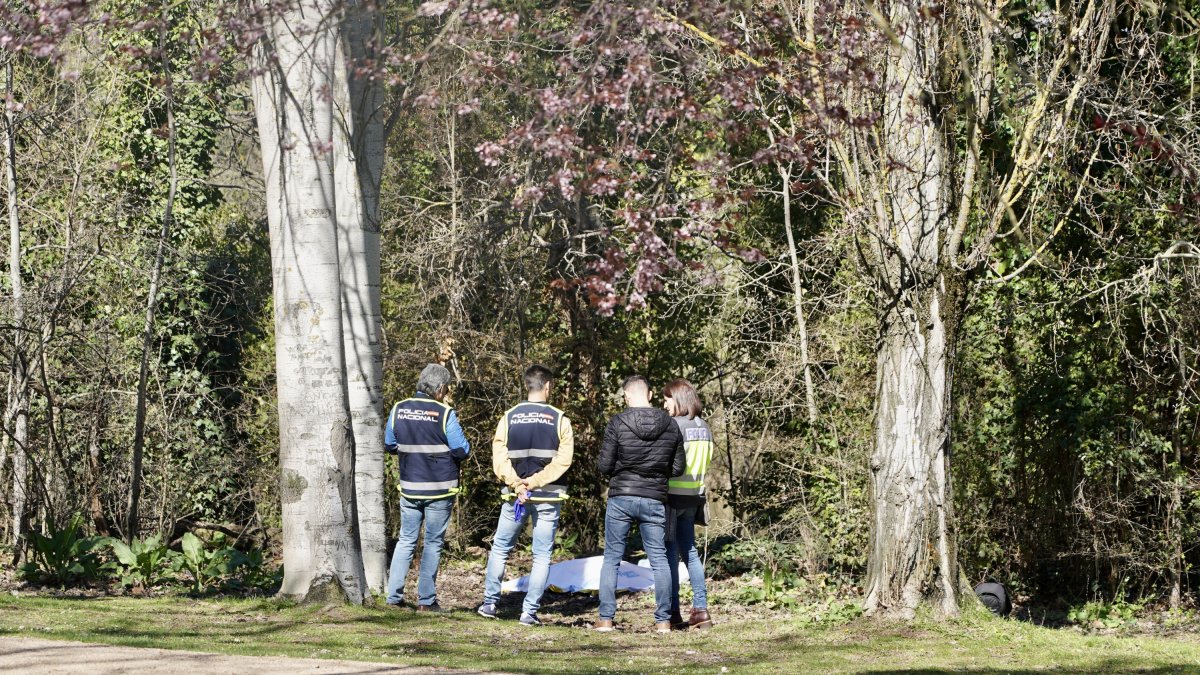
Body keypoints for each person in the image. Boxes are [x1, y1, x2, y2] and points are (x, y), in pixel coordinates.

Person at [477, 365, 574, 626]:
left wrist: (518, 484)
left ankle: (489, 603)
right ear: (548, 386)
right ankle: (528, 612)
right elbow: (564, 462)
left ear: (527, 385)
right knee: (541, 555)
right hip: (548, 497)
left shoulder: (508, 417)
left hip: (514, 496)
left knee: (500, 548)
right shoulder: (560, 419)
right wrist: (535, 482)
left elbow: (499, 459)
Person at [594, 375, 685, 633]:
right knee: (659, 559)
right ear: (651, 394)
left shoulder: (617, 422)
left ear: (626, 396)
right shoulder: (670, 424)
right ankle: (663, 621)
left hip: (621, 496)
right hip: (655, 498)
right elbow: (678, 468)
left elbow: (604, 465)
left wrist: (623, 470)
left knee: (612, 557)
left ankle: (605, 619)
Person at [384, 363, 469, 611]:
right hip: (440, 491)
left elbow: (389, 444)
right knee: (432, 543)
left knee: (406, 541)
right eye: (447, 389)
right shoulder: (445, 414)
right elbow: (462, 450)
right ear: (440, 388)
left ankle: (393, 598)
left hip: (409, 488)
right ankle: (426, 601)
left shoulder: (398, 409)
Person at [663, 378, 714, 630]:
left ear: (679, 399)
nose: (664, 404)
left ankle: (673, 612)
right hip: (693, 497)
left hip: (671, 497)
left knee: (671, 555)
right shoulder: (705, 427)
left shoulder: (674, 426)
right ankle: (701, 609)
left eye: (667, 398)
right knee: (691, 553)